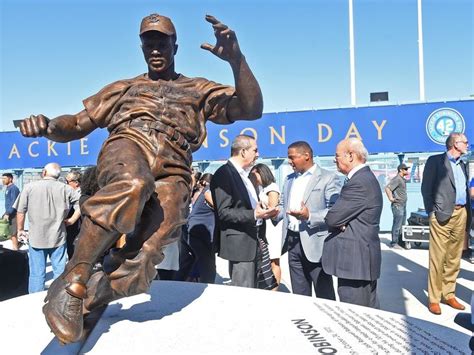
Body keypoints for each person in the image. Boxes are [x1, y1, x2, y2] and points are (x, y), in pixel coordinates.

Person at [19, 13, 263, 344]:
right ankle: (73, 279)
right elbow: (77, 123)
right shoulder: (125, 88)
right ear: (142, 47)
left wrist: (236, 60)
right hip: (131, 143)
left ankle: (88, 296)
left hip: (175, 165)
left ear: (174, 45)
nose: (155, 48)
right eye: (149, 42)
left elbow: (250, 109)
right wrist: (48, 126)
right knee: (133, 184)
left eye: (161, 41)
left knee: (144, 260)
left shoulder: (198, 89)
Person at [210, 135, 278, 288]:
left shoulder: (243, 175)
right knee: (243, 293)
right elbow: (224, 212)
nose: (258, 154)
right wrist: (255, 214)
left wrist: (263, 211)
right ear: (243, 152)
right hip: (240, 246)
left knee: (254, 291)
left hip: (254, 241)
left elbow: (245, 207)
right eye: (255, 150)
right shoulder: (224, 174)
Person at [274, 141, 340, 298]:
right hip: (292, 241)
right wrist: (273, 213)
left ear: (306, 156)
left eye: (292, 157)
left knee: (324, 293)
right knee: (300, 294)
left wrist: (309, 216)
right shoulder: (289, 179)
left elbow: (334, 211)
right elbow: (284, 205)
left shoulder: (328, 178)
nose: (289, 161)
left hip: (315, 243)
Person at [322, 138, 383, 308]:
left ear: (350, 156)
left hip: (355, 263)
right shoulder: (363, 178)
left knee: (356, 317)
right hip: (360, 261)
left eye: (337, 155)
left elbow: (333, 218)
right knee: (368, 314)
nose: (335, 160)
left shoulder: (359, 182)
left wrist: (338, 221)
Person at [421, 132, 471, 315]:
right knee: (437, 258)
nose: (467, 144)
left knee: (454, 257)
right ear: (455, 144)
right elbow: (426, 189)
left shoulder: (463, 164)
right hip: (441, 215)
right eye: (465, 142)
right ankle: (434, 299)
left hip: (461, 213)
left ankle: (448, 294)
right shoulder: (435, 161)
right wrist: (431, 213)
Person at [16, 163, 81, 293]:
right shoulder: (66, 189)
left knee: (37, 274)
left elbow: (20, 211)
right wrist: (72, 220)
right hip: (58, 237)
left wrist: (20, 230)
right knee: (60, 271)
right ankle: (58, 297)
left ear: (44, 172)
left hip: (36, 238)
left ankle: (35, 300)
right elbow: (81, 203)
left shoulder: (29, 187)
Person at [176, 173, 217, 283]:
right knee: (208, 266)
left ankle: (178, 286)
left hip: (191, 229)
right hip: (199, 233)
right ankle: (207, 289)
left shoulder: (207, 190)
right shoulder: (210, 191)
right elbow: (221, 209)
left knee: (187, 263)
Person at [249, 164, 283, 288]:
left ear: (261, 173)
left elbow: (273, 209)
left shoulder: (272, 188)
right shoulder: (261, 188)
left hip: (272, 227)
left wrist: (262, 208)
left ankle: (275, 289)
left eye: (255, 174)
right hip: (265, 226)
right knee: (266, 261)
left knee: (274, 261)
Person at [384, 163, 410, 249]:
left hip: (403, 205)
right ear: (400, 170)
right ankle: (394, 243)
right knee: (397, 224)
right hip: (398, 206)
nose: (407, 170)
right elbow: (387, 188)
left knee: (402, 224)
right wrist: (391, 198)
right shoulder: (397, 179)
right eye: (405, 169)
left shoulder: (402, 179)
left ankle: (400, 241)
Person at [65, 171, 82, 259]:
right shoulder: (69, 192)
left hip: (78, 228)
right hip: (70, 228)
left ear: (76, 183)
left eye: (67, 182)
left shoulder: (82, 194)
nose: (66, 184)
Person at [2, 173, 20, 250]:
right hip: (8, 213)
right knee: (7, 232)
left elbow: (14, 202)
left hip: (14, 214)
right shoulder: (8, 188)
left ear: (10, 179)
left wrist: (8, 213)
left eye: (4, 178)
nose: (3, 180)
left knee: (13, 233)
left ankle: (15, 250)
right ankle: (18, 244)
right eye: (2, 178)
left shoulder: (13, 188)